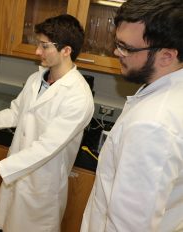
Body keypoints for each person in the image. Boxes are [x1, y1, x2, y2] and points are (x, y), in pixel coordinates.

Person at [0, 14, 94, 232]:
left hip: (41, 188)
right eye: (37, 44)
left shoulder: (78, 97)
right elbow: (16, 112)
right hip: (17, 173)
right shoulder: (37, 78)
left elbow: (46, 147)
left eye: (44, 46)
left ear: (66, 50)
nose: (37, 51)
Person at [81, 0, 183, 231]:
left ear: (166, 56)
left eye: (127, 47)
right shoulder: (167, 92)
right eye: (117, 43)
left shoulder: (153, 125)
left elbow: (129, 226)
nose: (117, 52)